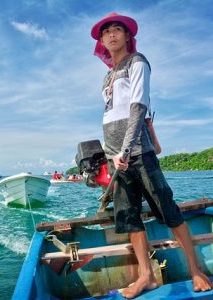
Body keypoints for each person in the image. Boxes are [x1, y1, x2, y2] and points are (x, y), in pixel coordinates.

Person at [91, 12, 212, 298]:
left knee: (169, 212)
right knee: (129, 218)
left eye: (117, 29)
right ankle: (146, 276)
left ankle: (196, 270)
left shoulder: (138, 61)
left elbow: (138, 106)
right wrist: (111, 155)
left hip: (139, 153)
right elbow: (110, 117)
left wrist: (127, 148)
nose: (111, 34)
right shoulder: (106, 76)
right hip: (117, 158)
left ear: (127, 36)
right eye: (105, 31)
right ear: (102, 42)